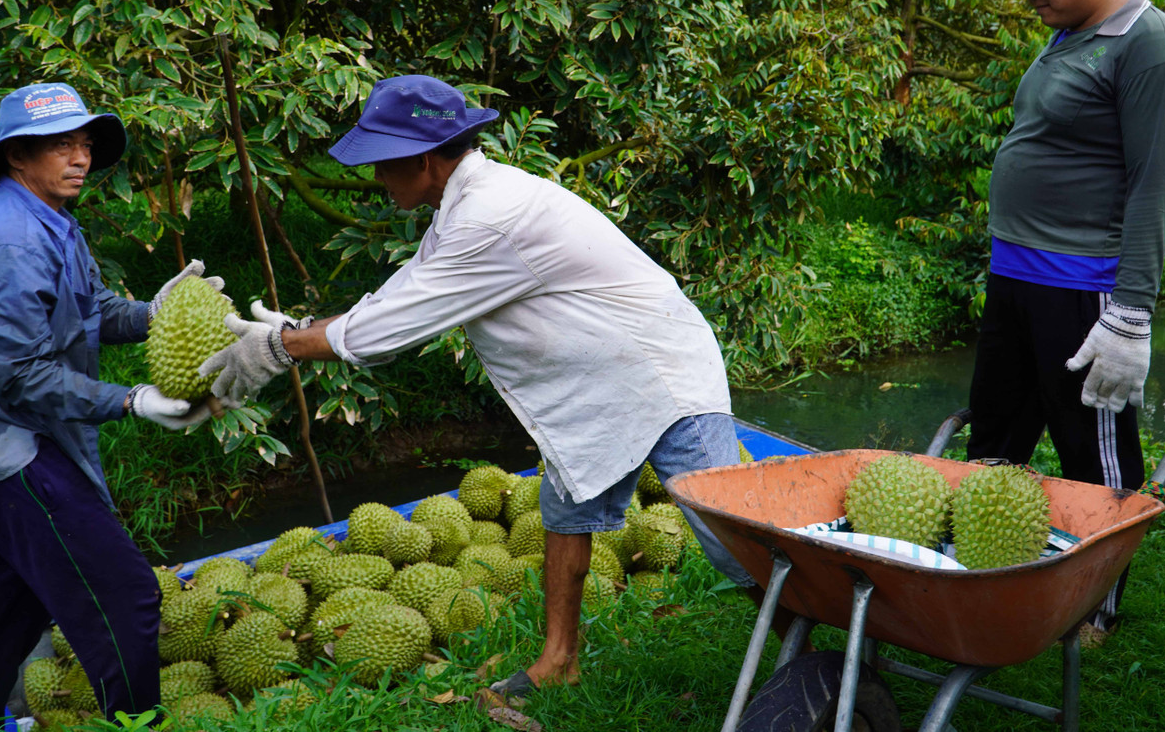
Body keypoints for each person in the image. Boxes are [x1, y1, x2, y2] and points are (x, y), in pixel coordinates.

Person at [198, 74, 760, 695]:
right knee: (566, 507)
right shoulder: (461, 209)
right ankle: (559, 662)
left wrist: (281, 347)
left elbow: (388, 330)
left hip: (664, 374)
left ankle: (816, 637)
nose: (376, 178)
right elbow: (393, 299)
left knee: (734, 537)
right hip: (608, 379)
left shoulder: (490, 217)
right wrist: (300, 330)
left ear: (424, 158)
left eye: (384, 163)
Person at [0, 82, 217, 728]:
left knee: (2, 622)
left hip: (19, 451)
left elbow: (92, 314)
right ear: (16, 155)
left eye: (85, 142)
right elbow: (19, 375)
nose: (80, 156)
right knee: (126, 596)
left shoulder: (49, 220)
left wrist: (163, 313)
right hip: (13, 455)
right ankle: (136, 723)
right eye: (60, 143)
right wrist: (132, 399)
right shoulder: (6, 241)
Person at [967, 0, 1165, 641]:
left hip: (1083, 291)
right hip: (1017, 280)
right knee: (992, 443)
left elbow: (1150, 184)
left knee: (1091, 456)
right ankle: (982, 569)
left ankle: (1095, 604)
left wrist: (1130, 314)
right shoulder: (1065, 36)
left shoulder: (1149, 45)